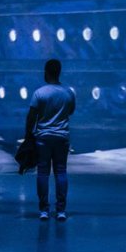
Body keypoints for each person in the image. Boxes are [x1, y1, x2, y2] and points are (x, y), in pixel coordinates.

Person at [26, 58, 76, 221]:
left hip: (43, 137)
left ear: (46, 72)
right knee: (61, 172)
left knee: (43, 172)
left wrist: (28, 135)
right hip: (62, 137)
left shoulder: (39, 93)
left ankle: (44, 210)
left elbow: (31, 116)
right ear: (59, 72)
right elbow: (70, 111)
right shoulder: (68, 93)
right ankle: (61, 210)